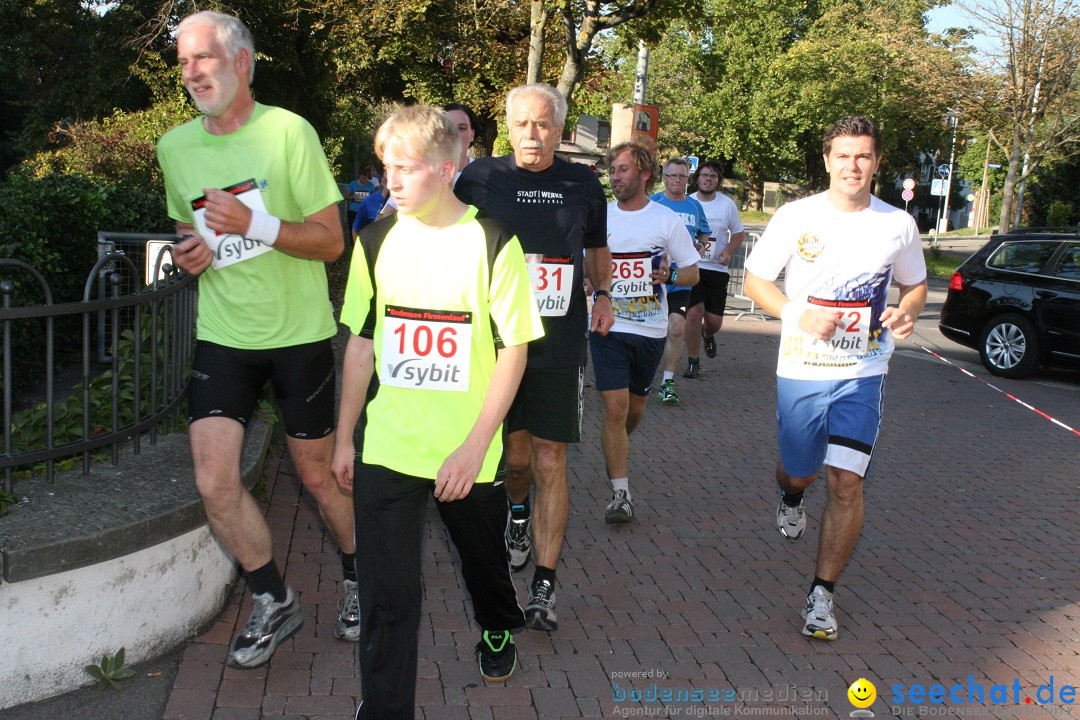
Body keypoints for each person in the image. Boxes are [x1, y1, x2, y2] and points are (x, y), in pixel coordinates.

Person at [156, 10, 357, 668]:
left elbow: (331, 241)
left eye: (203, 58)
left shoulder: (288, 134)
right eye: (183, 61)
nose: (191, 72)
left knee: (321, 479)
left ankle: (360, 575)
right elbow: (198, 236)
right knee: (214, 480)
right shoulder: (175, 148)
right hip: (224, 334)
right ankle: (273, 598)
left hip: (299, 335)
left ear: (242, 62)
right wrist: (192, 252)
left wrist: (256, 221)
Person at [333, 105, 543, 718]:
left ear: (447, 168)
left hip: (466, 451)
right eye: (384, 168)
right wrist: (345, 437)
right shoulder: (373, 240)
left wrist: (477, 443)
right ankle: (384, 707)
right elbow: (362, 345)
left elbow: (514, 351)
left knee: (484, 568)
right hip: (390, 446)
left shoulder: (494, 241)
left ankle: (498, 623)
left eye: (405, 168)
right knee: (388, 594)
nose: (389, 181)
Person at [744, 115, 927, 641]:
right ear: (827, 161)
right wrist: (797, 313)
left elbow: (914, 285)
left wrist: (909, 311)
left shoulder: (898, 224)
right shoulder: (795, 216)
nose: (853, 165)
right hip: (802, 367)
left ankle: (821, 595)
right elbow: (756, 281)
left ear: (876, 163)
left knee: (846, 481)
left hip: (863, 371)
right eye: (843, 155)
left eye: (863, 156)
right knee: (799, 469)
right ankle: (791, 495)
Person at [455, 83, 613, 632]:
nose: (532, 134)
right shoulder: (480, 178)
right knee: (516, 461)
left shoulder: (583, 182)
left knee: (550, 458)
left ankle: (545, 585)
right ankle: (516, 512)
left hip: (557, 342)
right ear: (507, 126)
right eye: (522, 123)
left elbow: (595, 248)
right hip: (496, 343)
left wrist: (606, 294)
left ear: (560, 129)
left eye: (543, 124)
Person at [593, 142, 699, 523]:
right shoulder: (600, 216)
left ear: (644, 173)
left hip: (651, 329)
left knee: (633, 410)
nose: (616, 177)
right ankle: (621, 494)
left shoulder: (666, 220)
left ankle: (616, 444)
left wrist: (668, 275)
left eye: (623, 170)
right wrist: (591, 285)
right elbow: (587, 262)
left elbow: (692, 271)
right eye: (613, 170)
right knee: (614, 407)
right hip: (608, 326)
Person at [649, 157, 711, 403]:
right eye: (673, 176)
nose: (677, 180)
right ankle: (640, 376)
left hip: (682, 275)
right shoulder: (654, 203)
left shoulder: (695, 206)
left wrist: (701, 243)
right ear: (664, 178)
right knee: (652, 330)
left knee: (676, 327)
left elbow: (704, 230)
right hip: (654, 276)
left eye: (682, 176)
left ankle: (667, 382)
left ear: (688, 179)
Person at [684, 161, 745, 377]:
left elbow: (739, 233)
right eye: (704, 175)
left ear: (717, 180)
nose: (708, 179)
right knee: (693, 314)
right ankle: (693, 361)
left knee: (714, 322)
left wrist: (728, 251)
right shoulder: (687, 202)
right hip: (693, 266)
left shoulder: (726, 204)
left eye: (712, 176)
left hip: (717, 269)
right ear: (697, 178)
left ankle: (708, 335)